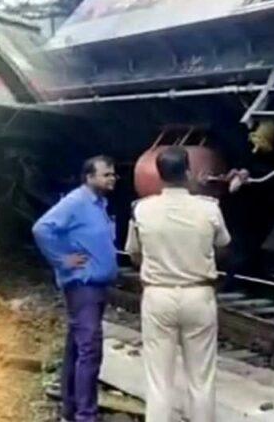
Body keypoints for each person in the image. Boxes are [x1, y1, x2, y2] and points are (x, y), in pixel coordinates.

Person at [125, 146, 231, 422]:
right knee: (201, 379)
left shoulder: (142, 210)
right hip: (199, 294)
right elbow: (223, 247)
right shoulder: (209, 209)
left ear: (159, 175)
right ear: (188, 172)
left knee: (159, 380)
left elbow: (135, 254)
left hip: (158, 296)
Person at [33, 155, 119, 422]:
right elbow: (41, 228)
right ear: (89, 177)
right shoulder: (76, 201)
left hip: (93, 287)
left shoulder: (98, 204)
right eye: (105, 174)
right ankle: (85, 415)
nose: (112, 177)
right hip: (83, 287)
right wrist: (61, 260)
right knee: (89, 350)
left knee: (76, 348)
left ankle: (71, 409)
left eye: (113, 173)